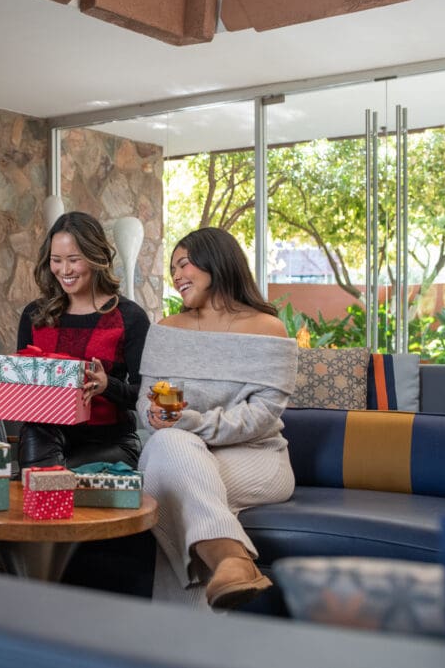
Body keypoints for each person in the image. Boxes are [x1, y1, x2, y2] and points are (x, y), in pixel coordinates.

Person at [136, 227, 298, 609]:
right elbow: (147, 402)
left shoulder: (268, 329)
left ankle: (174, 639)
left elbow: (262, 416)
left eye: (183, 264)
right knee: (173, 449)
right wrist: (158, 415)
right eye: (173, 269)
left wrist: (189, 423)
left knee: (173, 483)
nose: (176, 276)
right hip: (177, 449)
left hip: (256, 456)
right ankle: (232, 561)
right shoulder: (166, 330)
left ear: (216, 260)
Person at [16, 211, 150, 471]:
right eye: (56, 260)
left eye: (74, 260)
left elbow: (146, 395)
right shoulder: (35, 315)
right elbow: (23, 388)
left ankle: (45, 482)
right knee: (42, 456)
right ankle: (45, 482)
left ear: (96, 257)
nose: (64, 270)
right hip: (46, 434)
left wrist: (107, 385)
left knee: (57, 479)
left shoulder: (130, 317)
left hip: (109, 441)